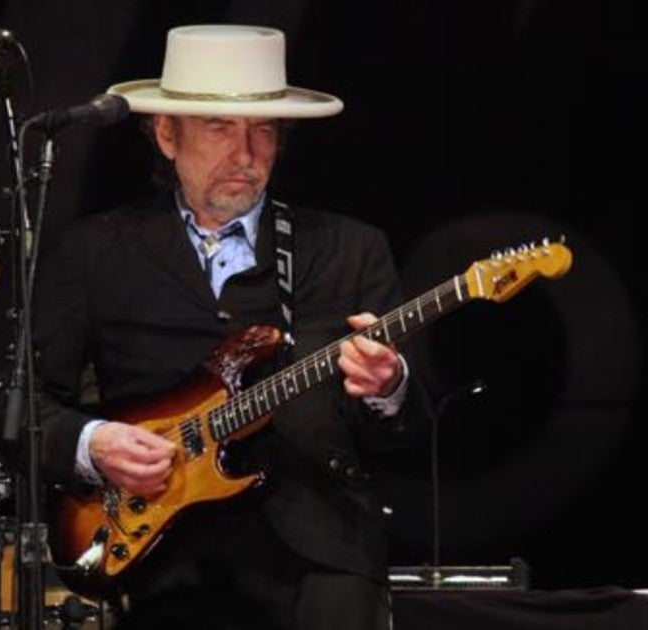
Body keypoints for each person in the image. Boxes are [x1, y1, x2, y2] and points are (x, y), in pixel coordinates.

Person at [34, 25, 429, 629]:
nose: (246, 154)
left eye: (263, 130)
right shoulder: (93, 251)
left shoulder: (349, 249)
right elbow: (25, 406)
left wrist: (389, 387)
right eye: (220, 128)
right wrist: (95, 445)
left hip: (319, 545)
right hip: (161, 553)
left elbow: (407, 436)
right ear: (167, 135)